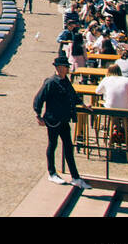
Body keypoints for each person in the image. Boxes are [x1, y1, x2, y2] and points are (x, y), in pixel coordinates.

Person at [33, 55, 92, 188]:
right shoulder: (50, 82)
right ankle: (52, 173)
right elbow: (39, 98)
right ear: (60, 68)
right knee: (52, 145)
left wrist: (83, 104)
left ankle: (75, 177)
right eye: (66, 67)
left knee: (68, 147)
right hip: (53, 120)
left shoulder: (65, 80)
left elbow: (73, 95)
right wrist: (38, 115)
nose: (67, 69)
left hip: (64, 119)